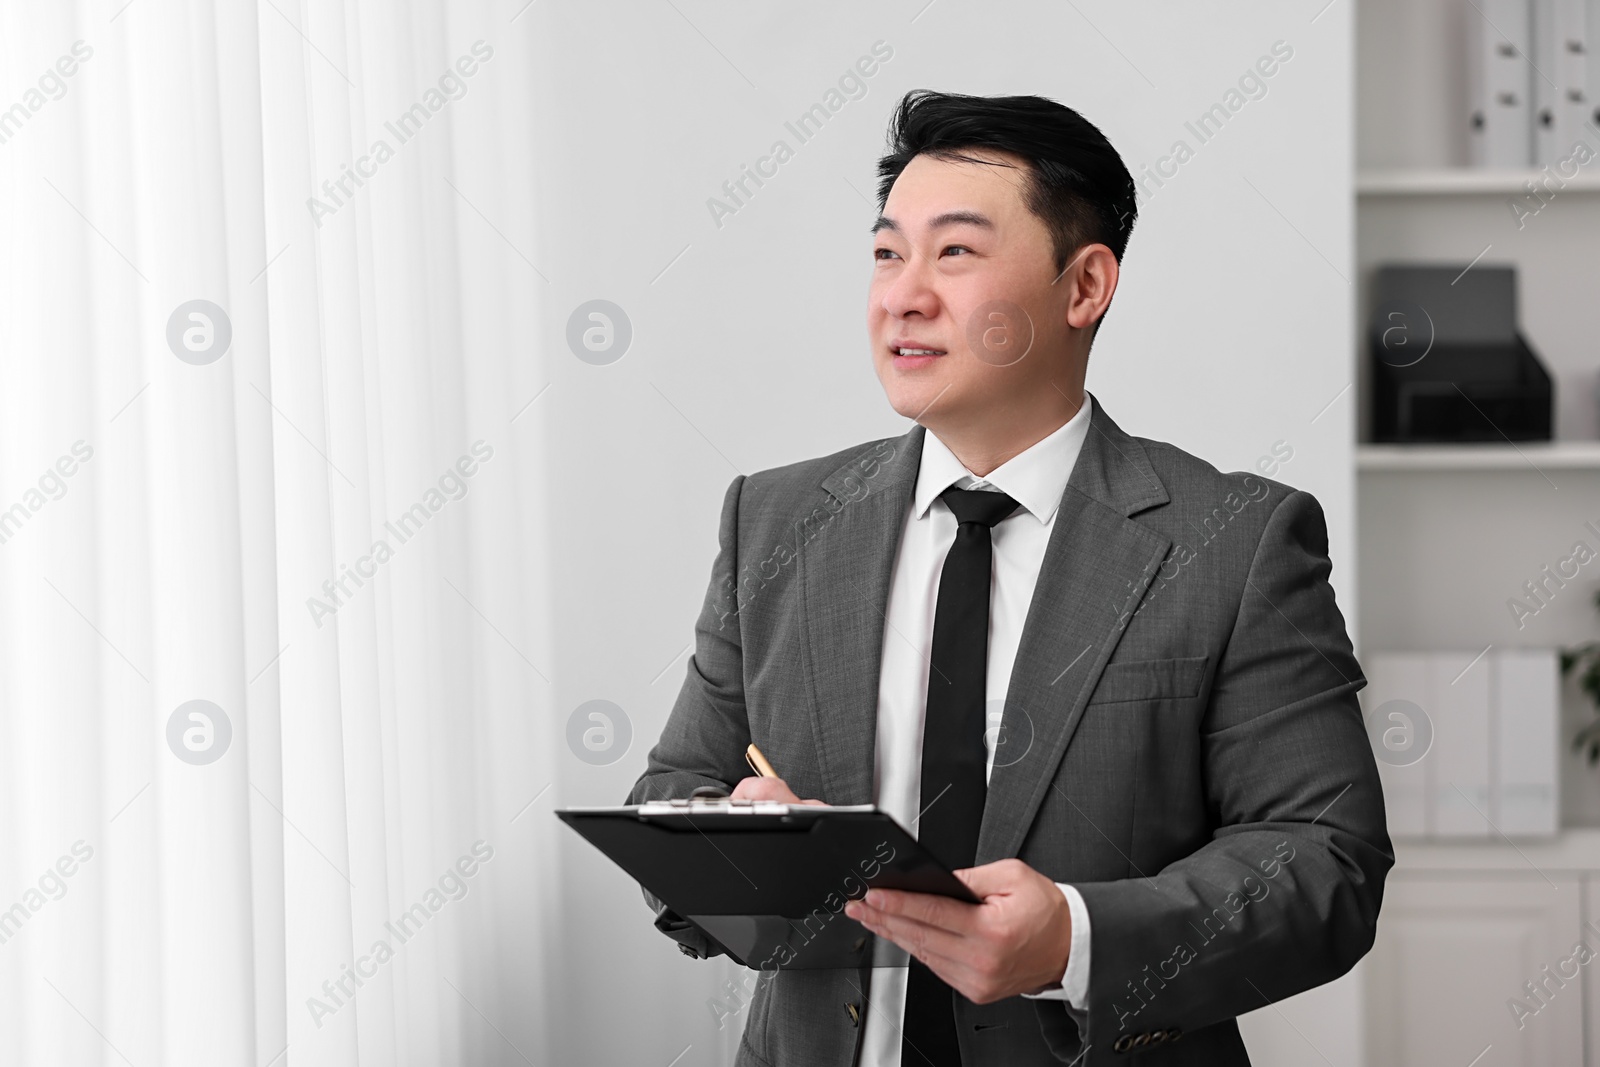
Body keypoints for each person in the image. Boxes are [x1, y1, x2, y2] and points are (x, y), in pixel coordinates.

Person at [628, 89, 1391, 1067]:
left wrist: (1073, 936)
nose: (902, 293)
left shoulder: (1235, 541)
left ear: (1083, 287)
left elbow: (1325, 861)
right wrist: (728, 844)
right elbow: (676, 786)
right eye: (885, 252)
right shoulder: (775, 520)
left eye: (953, 252)